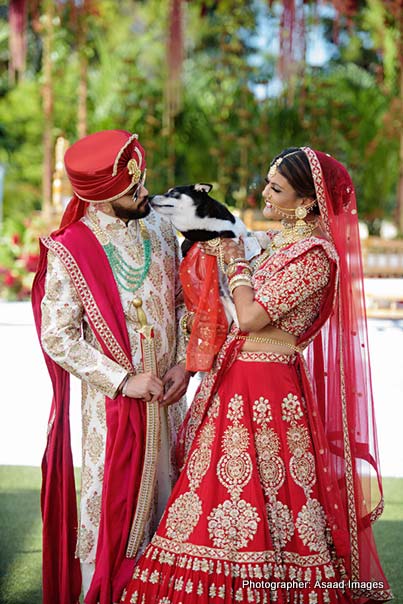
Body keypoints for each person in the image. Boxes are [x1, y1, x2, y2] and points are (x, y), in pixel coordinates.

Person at [121, 147, 392, 604]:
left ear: (307, 202)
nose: (263, 192)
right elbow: (227, 303)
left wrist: (233, 258)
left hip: (267, 391)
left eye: (276, 188)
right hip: (234, 381)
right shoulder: (278, 242)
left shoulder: (314, 255)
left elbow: (248, 316)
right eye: (267, 181)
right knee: (212, 496)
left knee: (270, 500)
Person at [31, 129, 190, 604]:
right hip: (113, 408)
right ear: (100, 198)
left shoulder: (161, 230)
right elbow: (57, 335)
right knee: (111, 506)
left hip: (169, 397)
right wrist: (123, 380)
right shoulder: (71, 248)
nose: (146, 194)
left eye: (142, 183)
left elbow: (184, 305)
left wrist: (184, 365)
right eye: (133, 190)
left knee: (172, 497)